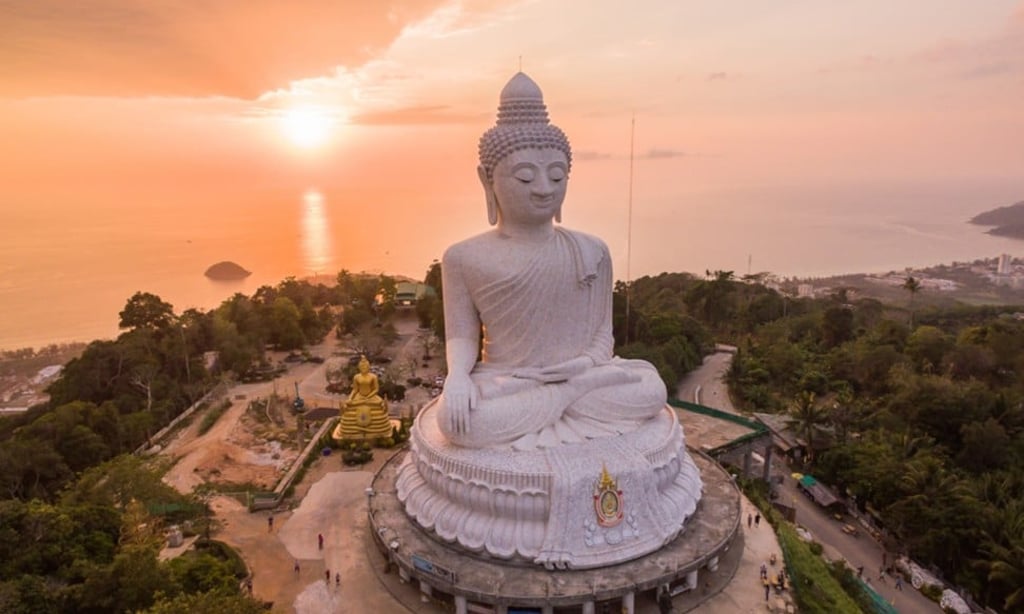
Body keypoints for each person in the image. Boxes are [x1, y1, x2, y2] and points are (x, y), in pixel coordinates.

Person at [436, 72, 668, 451]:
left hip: (581, 377)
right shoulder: (463, 257)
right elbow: (462, 336)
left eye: (556, 175)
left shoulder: (592, 250)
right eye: (525, 177)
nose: (544, 188)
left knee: (650, 388)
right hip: (508, 380)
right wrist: (457, 377)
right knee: (458, 420)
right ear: (487, 181)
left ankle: (564, 398)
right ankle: (565, 401)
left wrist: (578, 370)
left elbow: (602, 336)